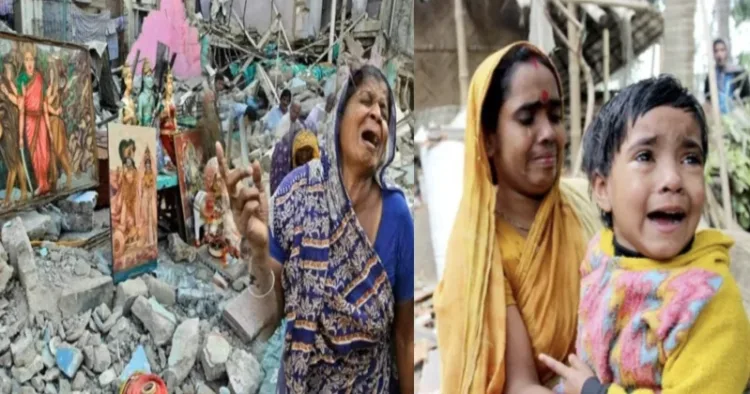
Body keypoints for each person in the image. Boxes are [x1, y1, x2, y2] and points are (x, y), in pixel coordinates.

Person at [539, 75, 750, 394]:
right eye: (645, 156)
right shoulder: (602, 253)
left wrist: (592, 391)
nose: (672, 179)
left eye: (690, 159)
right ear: (602, 189)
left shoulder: (706, 303)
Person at [218, 64, 414, 393]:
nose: (377, 114)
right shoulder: (298, 191)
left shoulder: (398, 215)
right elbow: (270, 313)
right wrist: (260, 252)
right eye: (366, 101)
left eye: (385, 110)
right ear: (339, 119)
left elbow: (406, 338)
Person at [433, 41, 601, 393]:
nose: (548, 134)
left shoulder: (587, 203)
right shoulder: (478, 252)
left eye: (555, 116)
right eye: (527, 119)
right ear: (489, 139)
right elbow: (520, 384)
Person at [269, 127, 321, 195]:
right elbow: (277, 193)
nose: (304, 156)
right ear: (294, 151)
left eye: (308, 151)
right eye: (301, 151)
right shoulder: (283, 156)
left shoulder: (317, 163)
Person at [705, 38, 750, 114]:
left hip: (737, 116)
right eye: (716, 51)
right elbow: (708, 99)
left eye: (722, 50)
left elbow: (746, 97)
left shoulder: (738, 72)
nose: (719, 54)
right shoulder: (710, 77)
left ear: (727, 51)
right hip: (718, 117)